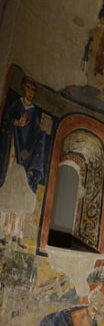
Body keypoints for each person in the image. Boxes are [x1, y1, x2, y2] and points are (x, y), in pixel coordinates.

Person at [0, 76, 50, 246]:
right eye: (28, 88)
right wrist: (16, 123)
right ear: (23, 88)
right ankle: (3, 231)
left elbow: (37, 133)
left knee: (23, 193)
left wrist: (43, 132)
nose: (31, 92)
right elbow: (6, 122)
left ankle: (16, 234)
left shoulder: (35, 112)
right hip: (13, 154)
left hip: (26, 159)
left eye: (33, 89)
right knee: (8, 189)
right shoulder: (17, 105)